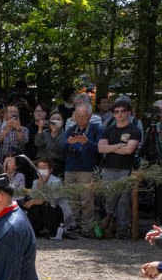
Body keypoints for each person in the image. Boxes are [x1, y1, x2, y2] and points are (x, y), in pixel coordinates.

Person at [97, 99, 141, 239]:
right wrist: (118, 146)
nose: (120, 114)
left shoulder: (134, 130)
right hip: (109, 169)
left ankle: (122, 230)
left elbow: (129, 150)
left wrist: (110, 148)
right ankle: (110, 227)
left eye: (123, 111)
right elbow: (100, 148)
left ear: (128, 113)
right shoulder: (108, 129)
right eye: (116, 112)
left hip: (126, 170)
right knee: (109, 200)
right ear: (113, 114)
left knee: (123, 200)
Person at [60, 102, 101, 237]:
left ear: (90, 116)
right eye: (78, 116)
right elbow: (61, 147)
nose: (80, 119)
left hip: (86, 169)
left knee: (86, 199)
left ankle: (87, 227)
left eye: (83, 116)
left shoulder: (96, 129)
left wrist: (86, 142)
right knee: (71, 198)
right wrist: (68, 142)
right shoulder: (71, 129)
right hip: (70, 167)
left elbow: (99, 149)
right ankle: (73, 225)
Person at [24, 159, 68, 238]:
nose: (41, 170)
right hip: (42, 206)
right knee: (33, 207)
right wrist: (39, 184)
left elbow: (52, 199)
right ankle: (35, 230)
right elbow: (35, 197)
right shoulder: (35, 182)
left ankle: (53, 230)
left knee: (46, 204)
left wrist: (34, 201)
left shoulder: (56, 181)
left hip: (56, 208)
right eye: (39, 168)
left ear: (50, 170)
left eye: (44, 168)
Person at [34, 111, 66, 176]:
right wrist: (40, 128)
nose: (55, 121)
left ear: (62, 122)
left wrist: (54, 134)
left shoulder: (65, 134)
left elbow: (61, 147)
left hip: (56, 164)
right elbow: (38, 143)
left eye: (58, 119)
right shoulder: (44, 132)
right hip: (41, 163)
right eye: (53, 119)